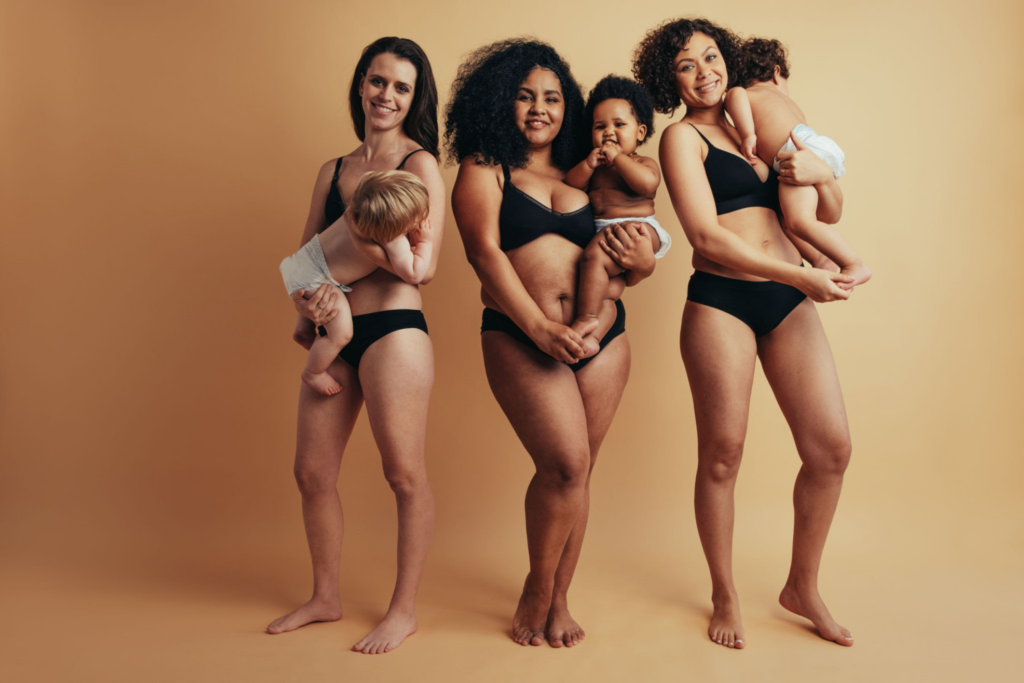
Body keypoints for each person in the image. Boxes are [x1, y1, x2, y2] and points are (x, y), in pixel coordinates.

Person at [634, 17, 856, 648]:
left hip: (788, 299)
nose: (704, 72)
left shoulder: (756, 122)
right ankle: (724, 593)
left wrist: (819, 171)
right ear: (670, 80)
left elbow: (828, 210)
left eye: (711, 57)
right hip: (722, 303)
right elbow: (705, 236)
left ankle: (802, 586)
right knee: (723, 454)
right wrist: (801, 274)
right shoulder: (681, 138)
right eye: (686, 65)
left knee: (830, 450)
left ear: (729, 60)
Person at [447, 39, 656, 648]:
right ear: (500, 101)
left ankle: (560, 597)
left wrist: (641, 269)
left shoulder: (585, 170)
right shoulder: (486, 166)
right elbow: (483, 253)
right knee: (563, 464)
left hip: (602, 335)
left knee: (580, 473)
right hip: (521, 333)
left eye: (553, 98)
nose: (540, 108)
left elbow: (623, 247)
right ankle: (537, 589)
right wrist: (539, 327)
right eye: (525, 96)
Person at [266, 36, 445, 656]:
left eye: (401, 87)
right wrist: (308, 301)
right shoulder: (333, 170)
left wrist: (365, 245)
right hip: (333, 331)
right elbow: (306, 254)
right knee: (311, 472)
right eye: (377, 81)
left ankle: (403, 610)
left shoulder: (420, 164)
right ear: (361, 85)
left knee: (404, 475)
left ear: (416, 97)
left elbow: (425, 269)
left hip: (393, 331)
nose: (386, 95)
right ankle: (325, 597)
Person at [724, 37, 870, 286]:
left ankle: (854, 263)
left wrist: (748, 134)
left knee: (799, 221)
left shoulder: (747, 93)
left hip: (795, 152)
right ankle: (822, 260)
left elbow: (735, 95)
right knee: (786, 218)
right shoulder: (785, 102)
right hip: (814, 148)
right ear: (777, 73)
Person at [278, 170, 433, 395]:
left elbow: (370, 177)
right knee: (341, 334)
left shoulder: (358, 205)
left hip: (301, 261)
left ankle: (304, 331)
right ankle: (313, 372)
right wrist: (425, 242)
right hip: (317, 281)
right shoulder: (392, 235)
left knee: (323, 311)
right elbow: (414, 274)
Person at [564, 75, 672, 355]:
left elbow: (647, 184)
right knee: (609, 292)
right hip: (604, 230)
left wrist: (619, 159)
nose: (608, 132)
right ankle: (594, 336)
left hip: (639, 228)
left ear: (640, 132)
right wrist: (588, 164)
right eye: (600, 126)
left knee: (592, 257)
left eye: (619, 125)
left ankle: (586, 318)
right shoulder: (595, 167)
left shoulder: (641, 162)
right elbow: (571, 187)